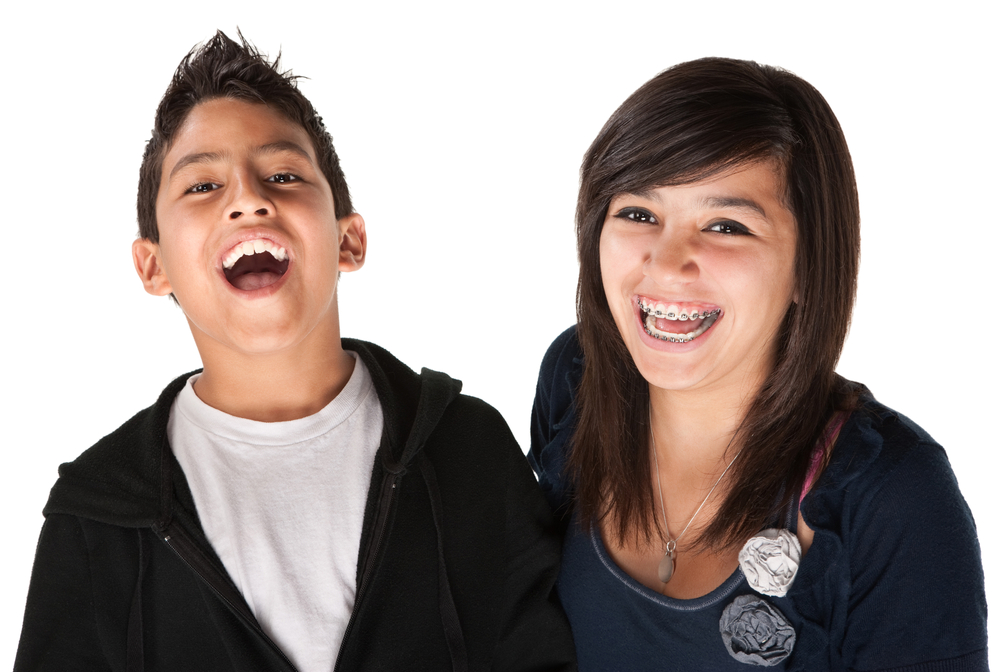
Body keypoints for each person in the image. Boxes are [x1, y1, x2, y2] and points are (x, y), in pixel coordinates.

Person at [15, 31, 575, 672]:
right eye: (201, 186)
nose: (249, 199)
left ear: (349, 240)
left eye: (283, 175)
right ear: (153, 265)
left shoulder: (469, 449)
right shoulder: (97, 512)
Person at [530, 58, 988, 671]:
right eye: (639, 214)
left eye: (726, 226)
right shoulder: (577, 377)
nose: (667, 265)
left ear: (807, 266)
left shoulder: (893, 497)